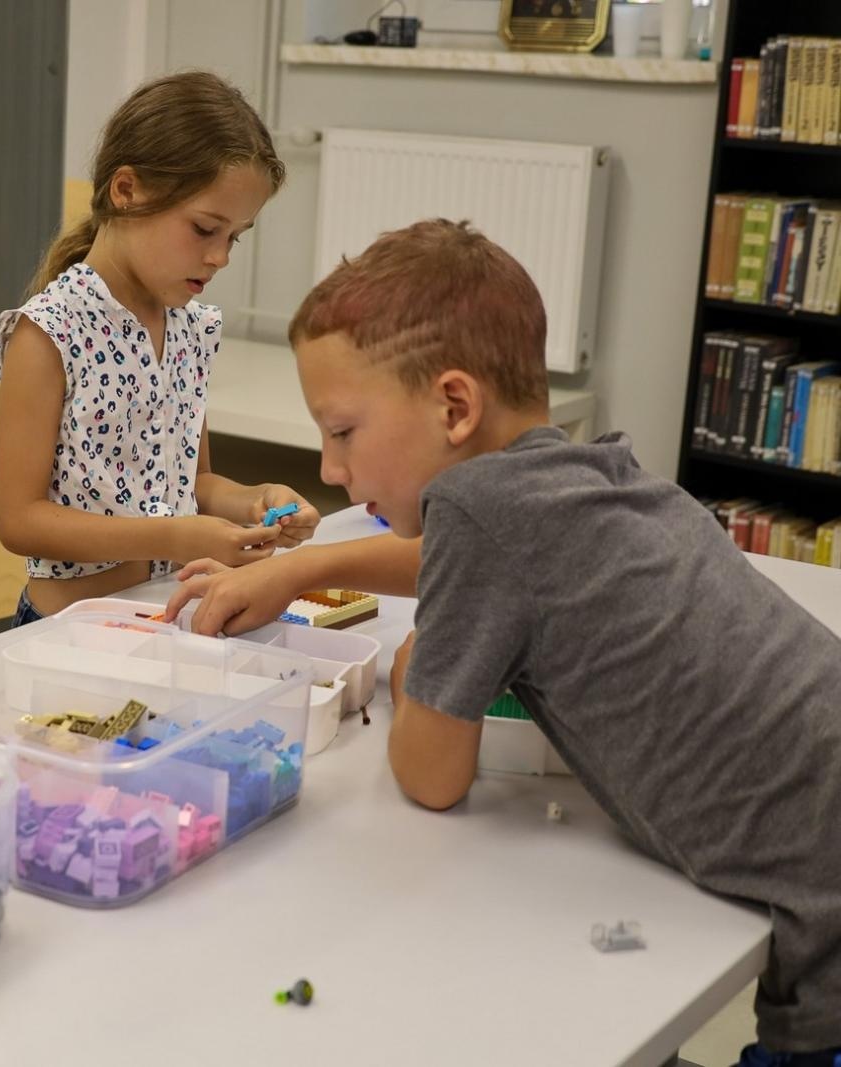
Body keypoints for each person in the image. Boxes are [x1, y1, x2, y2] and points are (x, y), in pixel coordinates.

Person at [166, 219, 841, 1064]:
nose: (331, 470)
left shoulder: (478, 515)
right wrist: (304, 568)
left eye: (342, 432)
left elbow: (432, 777)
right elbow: (476, 561)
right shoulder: (588, 475)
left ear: (454, 407)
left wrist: (416, 669)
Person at [0, 70, 319, 627]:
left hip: (166, 619)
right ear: (126, 191)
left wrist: (256, 500)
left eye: (234, 237)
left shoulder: (189, 328)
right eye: (205, 229)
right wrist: (173, 535)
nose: (220, 258)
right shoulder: (48, 332)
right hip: (68, 631)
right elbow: (20, 521)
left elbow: (195, 484)